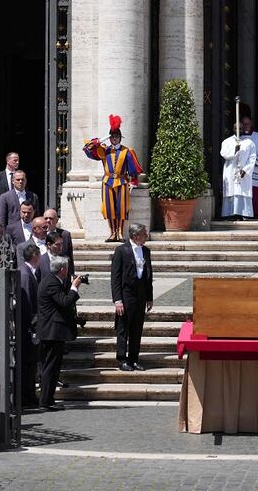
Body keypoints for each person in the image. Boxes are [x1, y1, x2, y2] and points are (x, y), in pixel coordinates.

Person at [83, 115, 143, 242]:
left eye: (117, 137)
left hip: (122, 181)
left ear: (120, 138)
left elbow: (133, 168)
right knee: (109, 208)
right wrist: (103, 139)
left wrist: (133, 181)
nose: (115, 139)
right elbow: (88, 147)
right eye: (113, 137)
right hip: (108, 182)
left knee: (121, 208)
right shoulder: (104, 150)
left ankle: (120, 233)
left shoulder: (127, 151)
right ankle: (112, 233)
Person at [36, 255, 81, 410]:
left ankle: (49, 399)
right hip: (51, 332)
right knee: (50, 367)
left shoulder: (54, 280)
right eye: (66, 268)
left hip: (54, 331)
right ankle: (45, 401)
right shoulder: (51, 283)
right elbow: (65, 301)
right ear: (62, 269)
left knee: (54, 367)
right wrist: (74, 287)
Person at [110, 223, 153, 372]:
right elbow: (115, 277)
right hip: (126, 296)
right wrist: (117, 300)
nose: (146, 236)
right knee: (123, 329)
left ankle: (134, 358)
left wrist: (149, 297)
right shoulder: (121, 251)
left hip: (140, 296)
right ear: (135, 236)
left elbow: (148, 275)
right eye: (144, 234)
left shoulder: (146, 251)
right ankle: (122, 359)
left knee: (137, 329)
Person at [18, 243, 42, 409]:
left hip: (28, 326)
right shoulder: (26, 274)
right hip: (27, 327)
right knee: (27, 364)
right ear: (34, 256)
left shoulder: (27, 271)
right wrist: (32, 323)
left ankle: (29, 395)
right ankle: (27, 397)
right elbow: (26, 302)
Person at [219, 125, 257, 220]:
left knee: (242, 191)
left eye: (240, 128)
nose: (238, 130)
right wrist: (234, 150)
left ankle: (244, 213)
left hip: (243, 172)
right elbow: (223, 154)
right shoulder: (227, 141)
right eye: (236, 128)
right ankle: (230, 213)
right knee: (231, 191)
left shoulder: (249, 143)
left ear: (243, 129)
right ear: (233, 129)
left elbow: (252, 158)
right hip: (230, 170)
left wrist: (245, 170)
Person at [240, 115, 258, 216]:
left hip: (255, 167)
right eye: (244, 124)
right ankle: (244, 212)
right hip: (243, 169)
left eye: (248, 123)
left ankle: (257, 212)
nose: (246, 126)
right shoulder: (239, 137)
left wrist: (254, 162)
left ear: (251, 123)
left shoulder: (257, 136)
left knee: (255, 190)